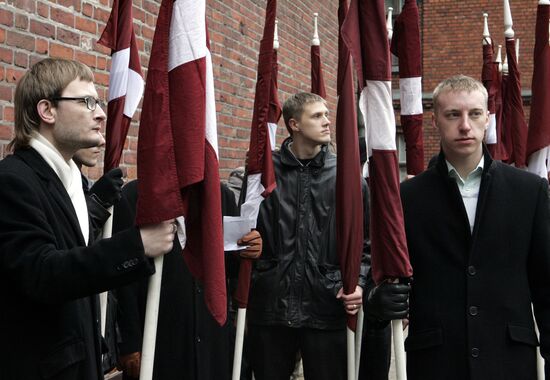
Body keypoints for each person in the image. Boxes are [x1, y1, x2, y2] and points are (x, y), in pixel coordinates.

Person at [0, 58, 175, 380]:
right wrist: (136, 245)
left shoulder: (70, 182)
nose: (100, 113)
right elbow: (42, 273)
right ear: (47, 111)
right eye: (87, 101)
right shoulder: (13, 181)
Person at [370, 74, 550, 379]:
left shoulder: (529, 191)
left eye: (474, 113)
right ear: (436, 120)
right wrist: (376, 302)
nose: (464, 125)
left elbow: (547, 284)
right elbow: (384, 271)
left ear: (487, 119)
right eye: (453, 114)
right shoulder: (407, 197)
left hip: (508, 361)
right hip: (436, 362)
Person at [246, 92, 370, 380]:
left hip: (326, 306)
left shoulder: (346, 174)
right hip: (271, 308)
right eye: (317, 116)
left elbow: (367, 243)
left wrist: (359, 283)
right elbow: (244, 233)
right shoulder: (264, 171)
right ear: (294, 125)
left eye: (327, 115)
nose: (327, 122)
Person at [114, 180, 261, 380]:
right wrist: (130, 342)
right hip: (159, 336)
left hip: (210, 335)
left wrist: (248, 249)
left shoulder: (222, 197)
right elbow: (123, 279)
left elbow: (229, 266)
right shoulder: (135, 196)